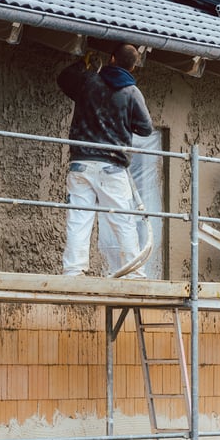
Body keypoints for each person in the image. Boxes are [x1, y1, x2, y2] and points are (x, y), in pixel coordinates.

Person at [57, 43, 153, 278]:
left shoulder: (88, 82)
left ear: (111, 59)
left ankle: (73, 270)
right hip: (112, 165)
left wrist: (83, 64)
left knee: (79, 219)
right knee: (123, 220)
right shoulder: (131, 92)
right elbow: (146, 129)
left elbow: (63, 78)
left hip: (81, 162)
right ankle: (133, 273)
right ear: (133, 67)